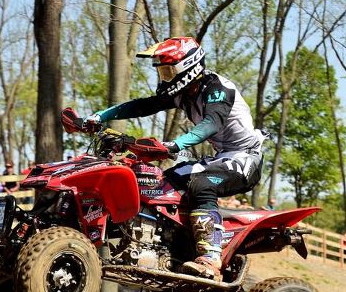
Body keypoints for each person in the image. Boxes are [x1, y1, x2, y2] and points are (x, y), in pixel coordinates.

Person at [86, 37, 266, 279]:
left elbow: (212, 122)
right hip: (221, 158)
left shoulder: (217, 90)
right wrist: (101, 115)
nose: (164, 78)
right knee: (161, 184)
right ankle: (174, 248)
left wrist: (176, 144)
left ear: (188, 67)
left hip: (246, 159)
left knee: (201, 184)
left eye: (168, 71)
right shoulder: (184, 92)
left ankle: (211, 258)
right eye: (162, 72)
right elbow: (143, 106)